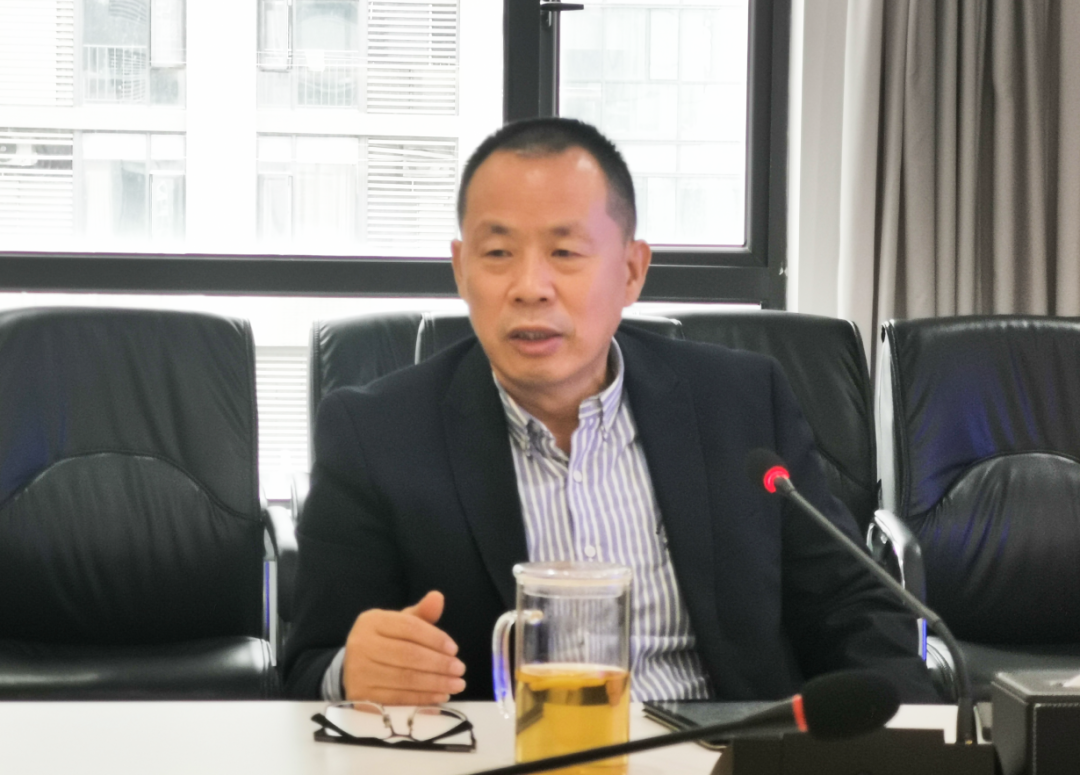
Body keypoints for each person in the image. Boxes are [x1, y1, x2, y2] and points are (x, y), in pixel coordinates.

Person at [282, 117, 939, 705]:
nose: (530, 287)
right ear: (460, 270)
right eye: (498, 253)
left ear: (631, 271)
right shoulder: (376, 435)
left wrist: (907, 734)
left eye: (565, 253)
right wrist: (351, 672)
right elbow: (308, 665)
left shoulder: (740, 404)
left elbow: (853, 607)